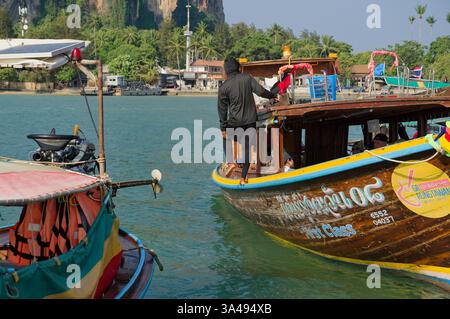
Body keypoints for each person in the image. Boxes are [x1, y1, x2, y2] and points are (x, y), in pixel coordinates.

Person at [218, 57, 276, 185]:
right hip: (250, 121)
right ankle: (243, 178)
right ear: (238, 68)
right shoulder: (247, 78)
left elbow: (222, 110)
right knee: (247, 148)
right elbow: (261, 92)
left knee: (225, 137)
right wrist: (272, 95)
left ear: (227, 71)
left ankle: (231, 162)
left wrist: (223, 128)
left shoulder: (224, 87)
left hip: (234, 123)